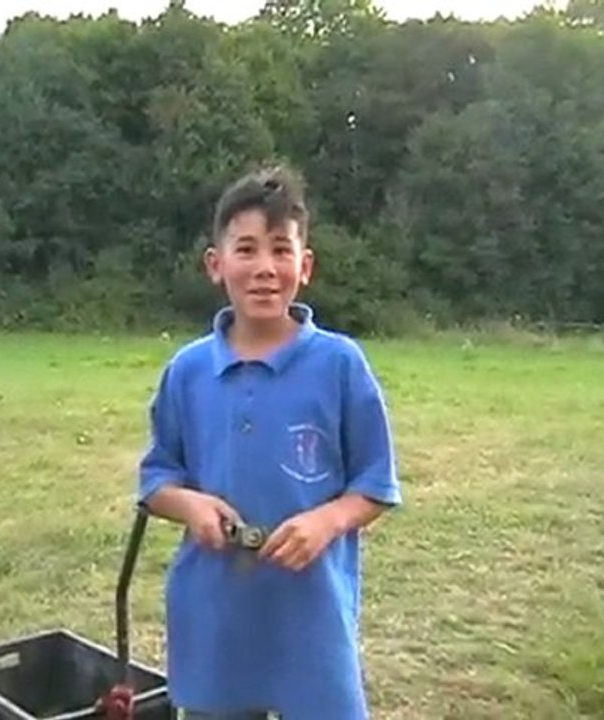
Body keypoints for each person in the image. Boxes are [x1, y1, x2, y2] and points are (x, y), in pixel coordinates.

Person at [137, 164, 402, 719]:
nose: (264, 268)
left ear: (305, 266)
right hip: (216, 616)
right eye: (246, 249)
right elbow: (157, 478)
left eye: (281, 250)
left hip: (312, 615)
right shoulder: (187, 371)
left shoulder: (340, 365)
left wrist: (326, 521)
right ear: (216, 264)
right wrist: (190, 505)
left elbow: (375, 484)